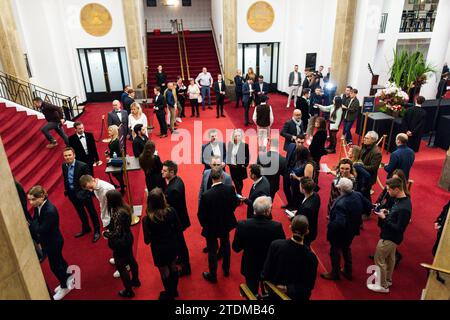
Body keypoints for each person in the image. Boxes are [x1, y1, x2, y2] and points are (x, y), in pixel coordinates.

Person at [27, 186, 74, 300]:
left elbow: (40, 229)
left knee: (55, 266)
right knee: (60, 261)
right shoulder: (40, 206)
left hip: (53, 242)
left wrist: (32, 225)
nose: (31, 202)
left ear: (42, 196)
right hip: (50, 240)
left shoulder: (49, 210)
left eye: (33, 199)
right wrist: (34, 224)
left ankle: (65, 287)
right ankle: (68, 276)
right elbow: (36, 221)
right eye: (29, 199)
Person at [232, 196, 285, 294]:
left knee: (251, 294)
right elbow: (281, 249)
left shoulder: (243, 225)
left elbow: (236, 248)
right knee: (268, 294)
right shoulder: (276, 227)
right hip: (269, 266)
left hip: (250, 266)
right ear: (268, 211)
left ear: (254, 209)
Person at [321, 178, 372, 280]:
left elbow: (339, 222)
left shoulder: (341, 203)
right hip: (352, 229)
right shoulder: (358, 195)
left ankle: (335, 273)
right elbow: (369, 206)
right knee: (346, 248)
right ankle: (348, 271)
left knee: (335, 251)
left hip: (341, 232)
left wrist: (330, 226)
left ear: (340, 189)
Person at [368, 177, 412, 293]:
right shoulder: (402, 200)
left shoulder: (404, 208)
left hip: (390, 237)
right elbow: (396, 217)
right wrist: (388, 213)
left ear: (397, 189)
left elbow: (399, 228)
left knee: (379, 259)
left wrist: (385, 218)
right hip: (392, 237)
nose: (387, 192)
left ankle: (382, 286)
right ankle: (387, 280)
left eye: (389, 190)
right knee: (390, 259)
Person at [261, 215, 318, 301]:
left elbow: (266, 272)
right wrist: (288, 289)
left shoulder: (276, 245)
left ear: (290, 227)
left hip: (275, 294)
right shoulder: (311, 257)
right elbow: (308, 286)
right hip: (296, 297)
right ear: (307, 232)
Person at [198, 168, 238, 283]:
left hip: (211, 227)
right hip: (226, 223)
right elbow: (234, 205)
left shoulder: (206, 195)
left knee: (212, 250)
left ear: (211, 178)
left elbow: (201, 215)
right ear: (221, 177)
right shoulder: (230, 189)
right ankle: (226, 270)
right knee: (226, 245)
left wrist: (205, 225)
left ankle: (213, 275)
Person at [142, 188, 182, 300]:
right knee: (173, 268)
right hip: (172, 244)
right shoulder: (172, 211)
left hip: (159, 249)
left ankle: (169, 294)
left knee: (165, 273)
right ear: (162, 199)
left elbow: (146, 241)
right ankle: (174, 291)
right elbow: (179, 228)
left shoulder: (147, 220)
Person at [104, 190, 140, 298]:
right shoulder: (125, 207)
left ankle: (129, 291)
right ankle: (136, 280)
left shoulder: (118, 212)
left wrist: (106, 234)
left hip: (121, 242)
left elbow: (117, 232)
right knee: (131, 259)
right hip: (128, 237)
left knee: (121, 267)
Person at [62, 147, 100, 242]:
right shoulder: (64, 166)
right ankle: (86, 228)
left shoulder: (83, 166)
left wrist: (84, 193)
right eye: (65, 155)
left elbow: (90, 181)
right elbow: (66, 178)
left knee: (92, 212)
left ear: (74, 155)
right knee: (80, 212)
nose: (67, 157)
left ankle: (97, 230)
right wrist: (67, 190)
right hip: (72, 194)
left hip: (84, 194)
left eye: (69, 155)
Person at [162, 160, 191, 276]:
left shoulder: (172, 190)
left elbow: (171, 209)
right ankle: (181, 260)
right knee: (179, 244)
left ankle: (186, 268)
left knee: (180, 244)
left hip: (176, 223)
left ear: (172, 172)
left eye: (164, 171)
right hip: (180, 219)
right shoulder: (178, 180)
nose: (162, 173)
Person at [296, 177, 320, 247]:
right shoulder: (316, 195)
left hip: (306, 233)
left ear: (303, 190)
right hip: (313, 228)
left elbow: (302, 222)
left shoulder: (306, 208)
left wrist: (293, 217)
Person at [283, 135, 306, 209]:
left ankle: (294, 206)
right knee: (285, 188)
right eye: (298, 142)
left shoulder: (304, 151)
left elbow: (303, 165)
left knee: (295, 191)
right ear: (295, 140)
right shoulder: (291, 145)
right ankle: (290, 203)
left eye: (302, 143)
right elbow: (287, 157)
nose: (300, 144)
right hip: (287, 171)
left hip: (296, 174)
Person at [226, 129, 249, 196]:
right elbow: (228, 155)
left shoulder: (245, 145)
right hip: (233, 167)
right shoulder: (230, 144)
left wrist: (245, 165)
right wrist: (229, 164)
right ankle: (239, 194)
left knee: (240, 181)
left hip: (241, 167)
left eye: (239, 136)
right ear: (233, 137)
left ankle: (239, 194)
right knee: (235, 181)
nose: (237, 137)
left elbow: (247, 156)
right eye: (235, 136)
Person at [106, 125, 126, 193]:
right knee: (116, 174)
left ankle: (122, 188)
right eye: (108, 130)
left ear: (114, 131)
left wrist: (111, 157)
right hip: (113, 159)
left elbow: (119, 152)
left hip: (116, 160)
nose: (108, 132)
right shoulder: (113, 139)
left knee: (117, 174)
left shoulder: (116, 141)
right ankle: (122, 185)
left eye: (110, 130)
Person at [308, 117, 327, 182]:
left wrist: (310, 147)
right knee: (316, 164)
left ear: (321, 124)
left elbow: (315, 145)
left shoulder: (319, 133)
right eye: (315, 122)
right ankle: (315, 179)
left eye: (317, 122)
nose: (315, 123)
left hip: (315, 152)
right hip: (319, 152)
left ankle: (314, 180)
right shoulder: (324, 131)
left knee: (314, 165)